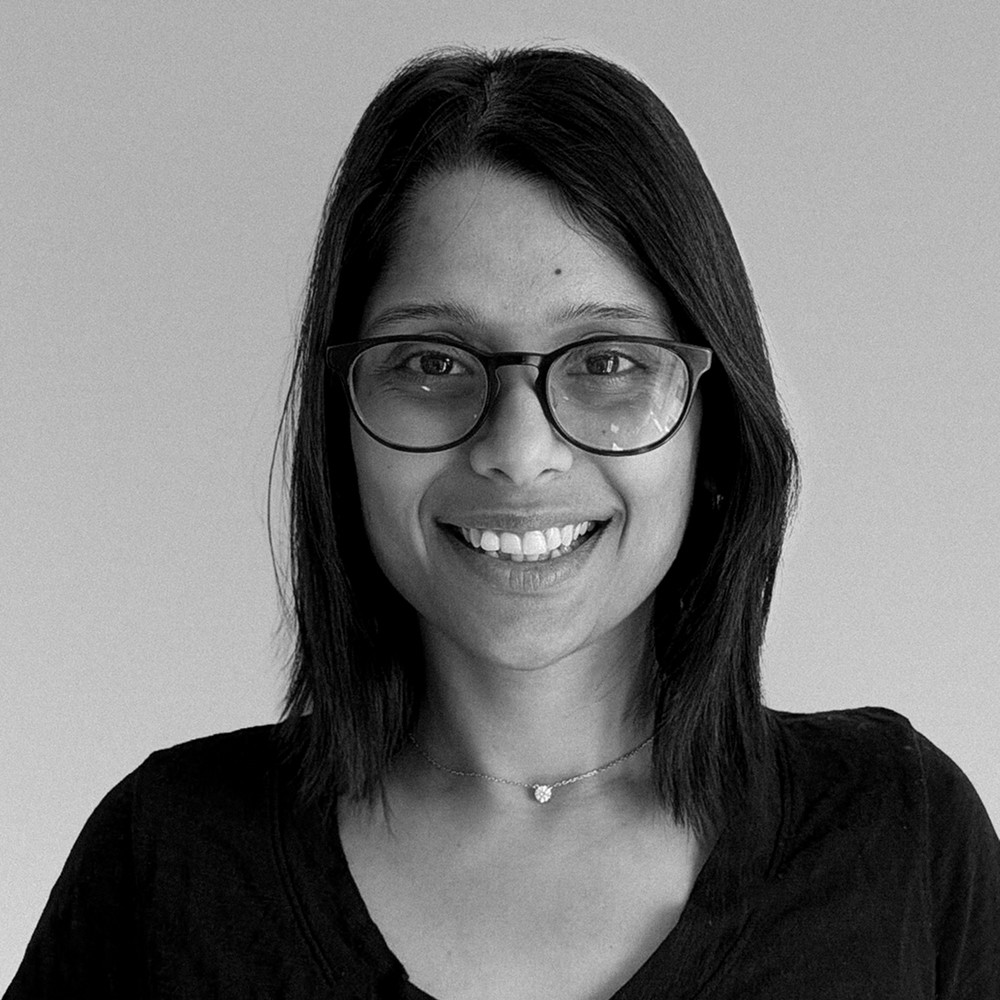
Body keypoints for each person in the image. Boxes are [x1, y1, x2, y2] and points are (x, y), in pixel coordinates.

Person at [7, 46, 999, 1000]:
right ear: (340, 422)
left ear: (713, 423)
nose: (520, 451)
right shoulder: (167, 862)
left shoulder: (900, 839)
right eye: (432, 362)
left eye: (607, 361)